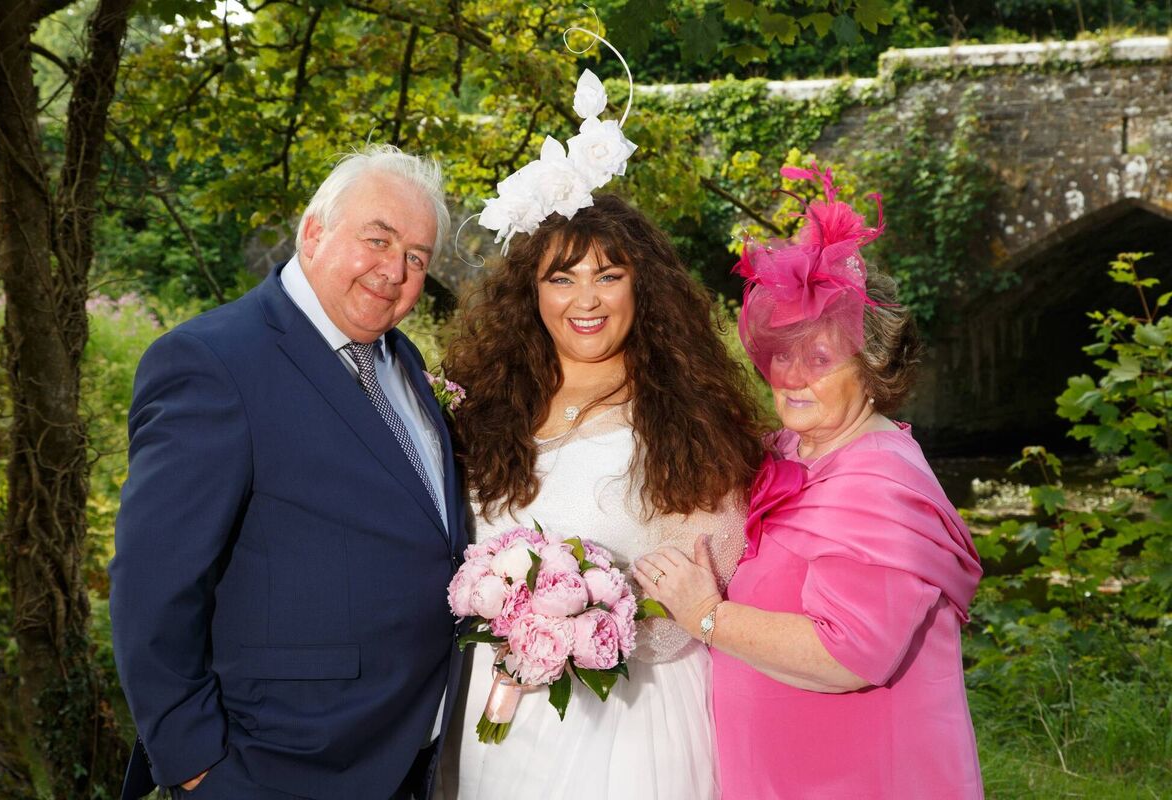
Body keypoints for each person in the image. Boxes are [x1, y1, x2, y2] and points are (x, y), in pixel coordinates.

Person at [110, 144, 466, 800]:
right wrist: (196, 766)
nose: (396, 270)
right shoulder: (211, 363)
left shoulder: (401, 359)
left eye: (417, 258)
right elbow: (152, 584)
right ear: (313, 233)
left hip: (408, 755)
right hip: (275, 763)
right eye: (378, 239)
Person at [636, 164, 985, 799]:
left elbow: (848, 655)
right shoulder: (796, 450)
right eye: (781, 353)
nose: (791, 375)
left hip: (858, 778)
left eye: (819, 357)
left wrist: (706, 615)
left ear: (872, 367)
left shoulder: (878, 484)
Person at [440, 194, 766, 799]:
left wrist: (577, 625)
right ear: (532, 291)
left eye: (608, 276)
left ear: (642, 286)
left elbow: (704, 581)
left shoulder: (686, 416)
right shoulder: (483, 410)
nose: (585, 300)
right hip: (494, 711)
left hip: (627, 718)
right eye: (561, 278)